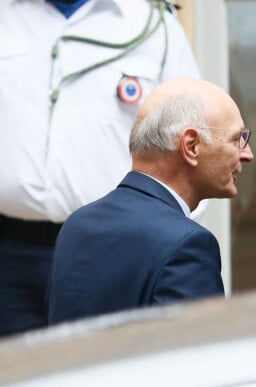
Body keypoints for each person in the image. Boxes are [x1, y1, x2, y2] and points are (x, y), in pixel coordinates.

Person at [0, 0, 207, 336]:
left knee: (100, 372)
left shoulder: (154, 26)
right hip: (12, 253)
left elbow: (193, 140)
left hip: (112, 252)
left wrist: (171, 250)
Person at [47, 78, 254, 325]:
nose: (247, 154)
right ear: (191, 146)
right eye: (236, 139)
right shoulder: (187, 245)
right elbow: (199, 357)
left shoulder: (77, 225)